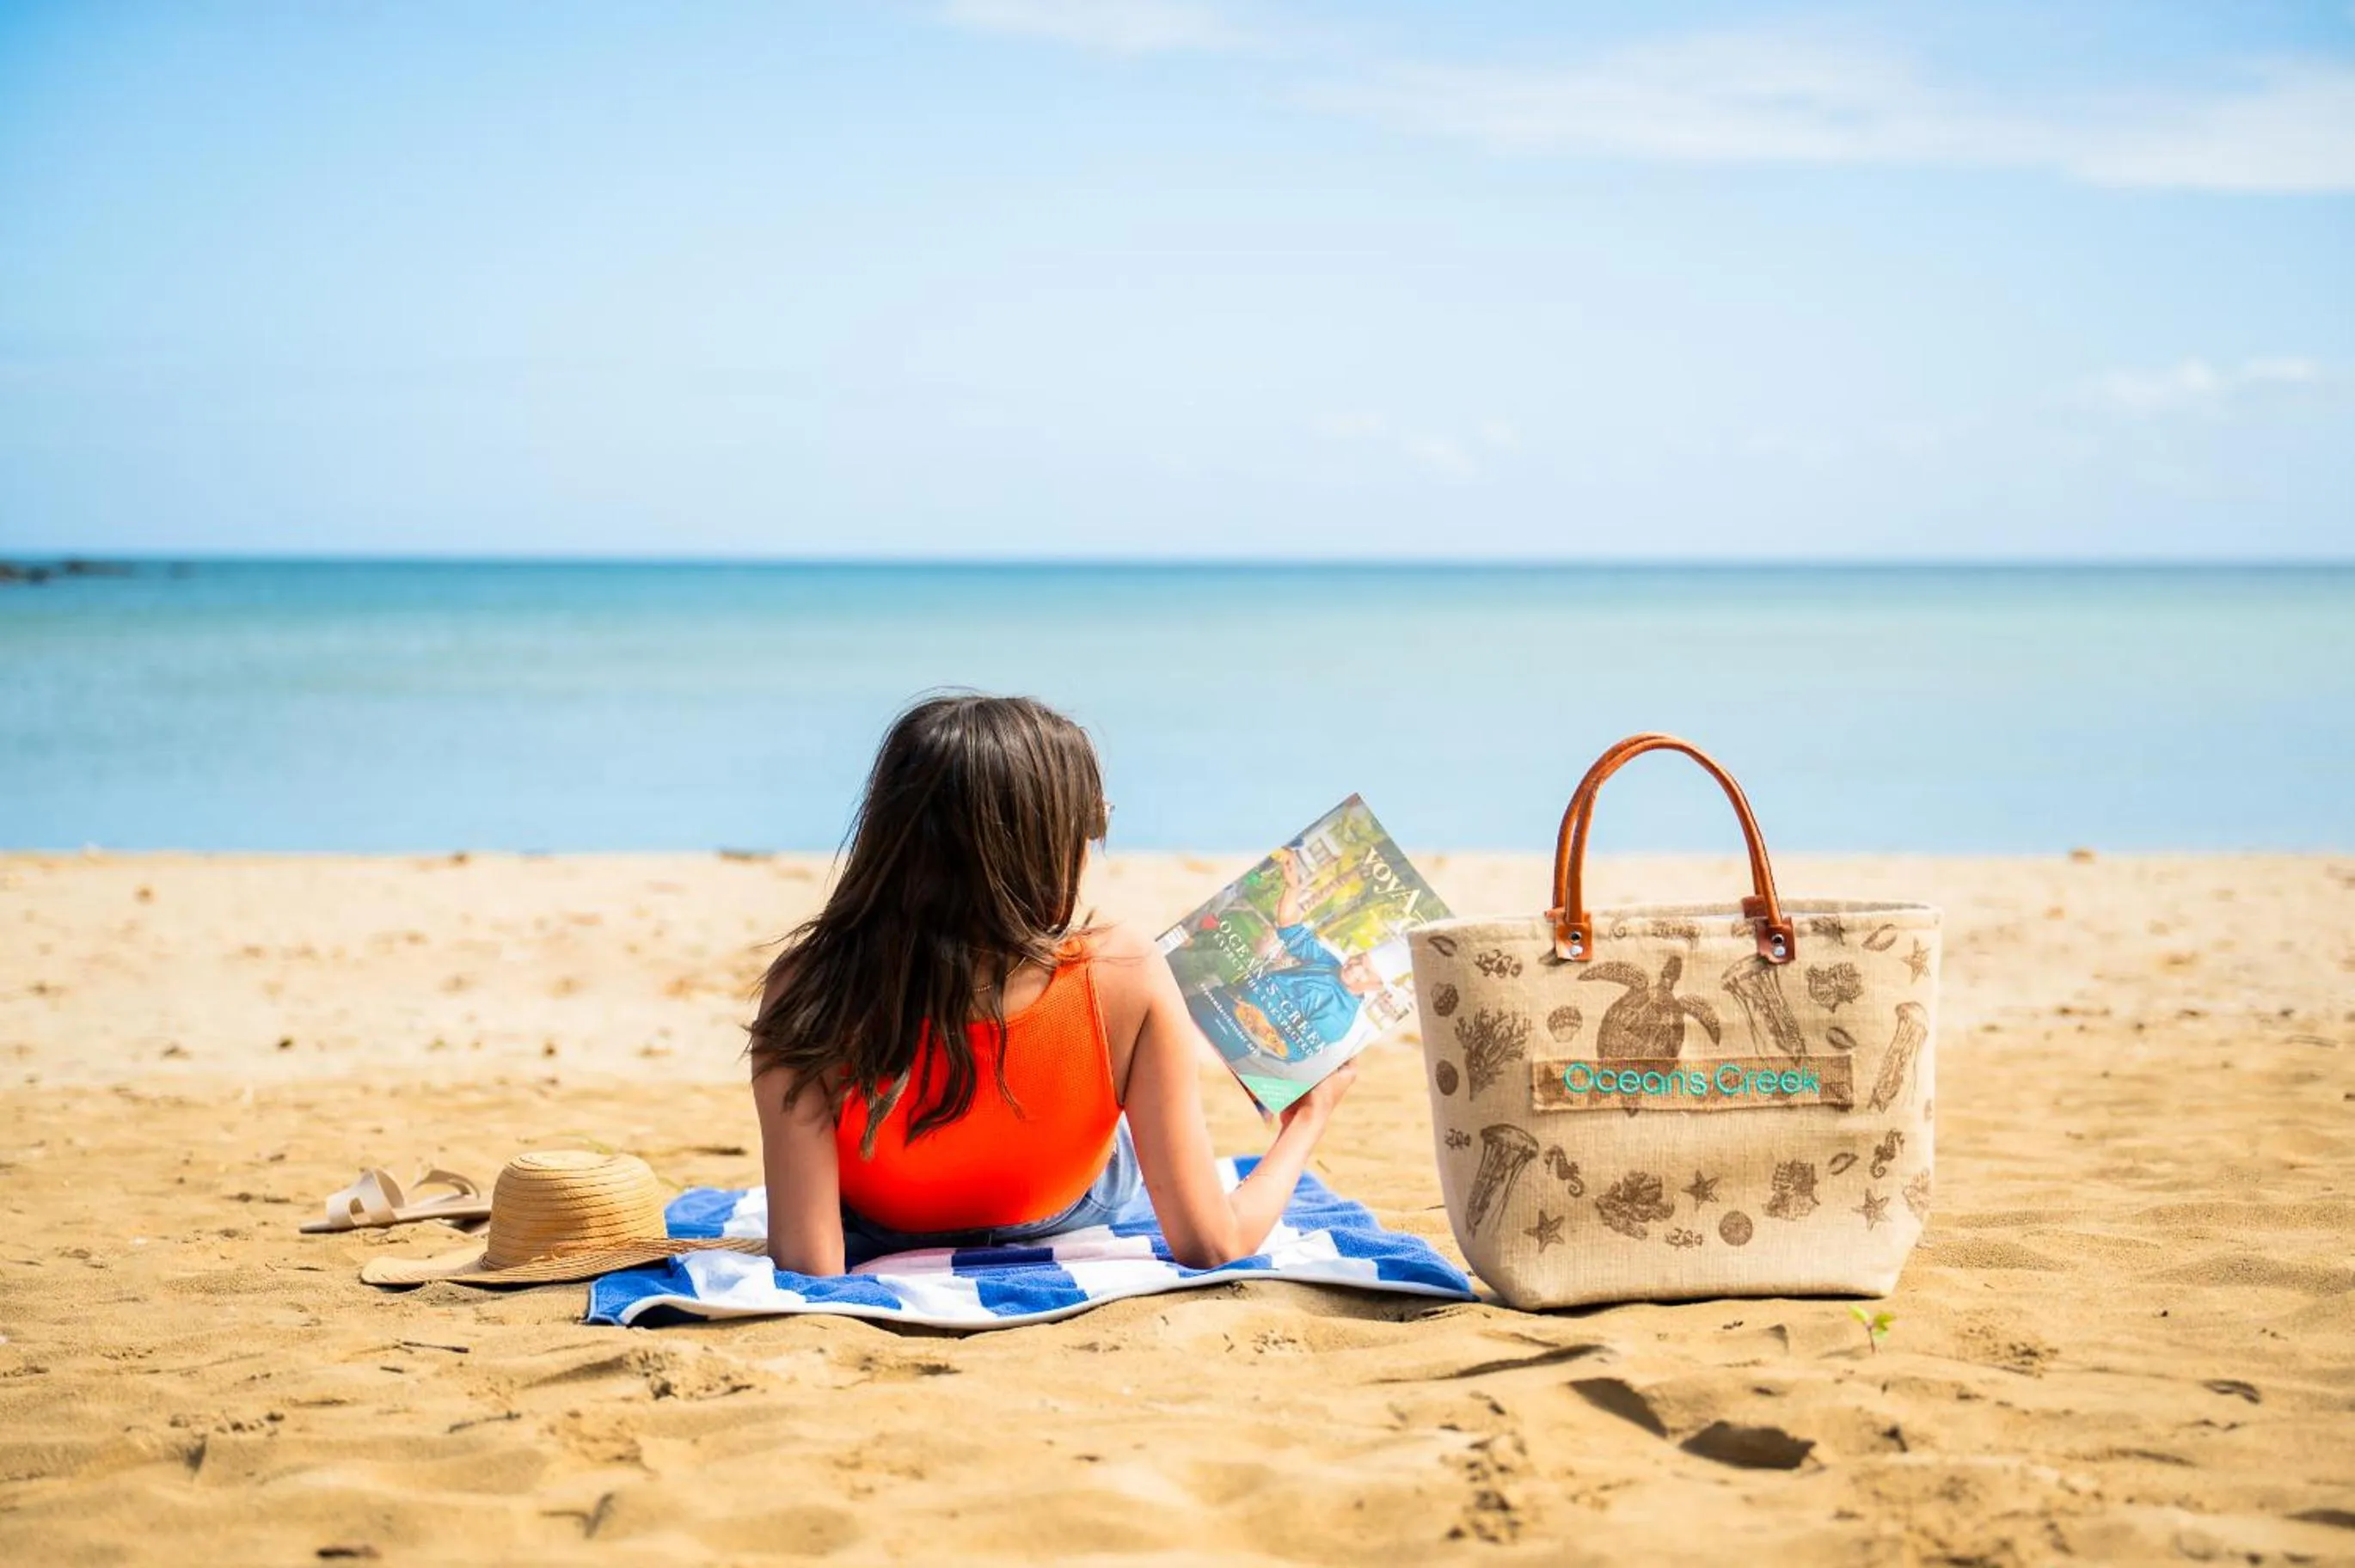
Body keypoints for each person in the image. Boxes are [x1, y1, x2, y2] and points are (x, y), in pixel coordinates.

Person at [745, 693, 1357, 1277]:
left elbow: (807, 1263)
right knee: (1112, 1094)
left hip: (884, 1222)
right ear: (1043, 842)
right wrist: (1309, 1116)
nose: (1093, 839)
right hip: (1064, 1204)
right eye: (1092, 821)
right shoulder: (1124, 970)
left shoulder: (809, 987)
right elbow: (1212, 1242)